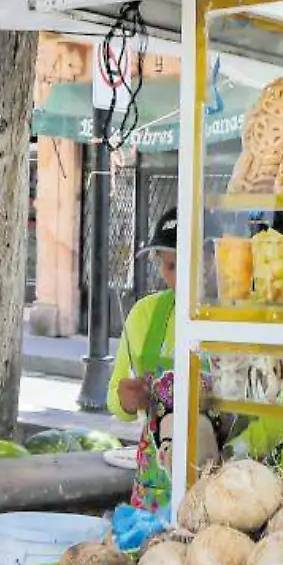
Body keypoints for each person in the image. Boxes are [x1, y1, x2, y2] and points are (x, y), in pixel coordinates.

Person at [108, 209, 180, 514]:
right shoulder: (146, 314)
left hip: (225, 489)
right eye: (163, 264)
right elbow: (115, 398)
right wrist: (126, 400)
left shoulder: (234, 318)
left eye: (175, 265)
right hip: (156, 487)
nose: (166, 273)